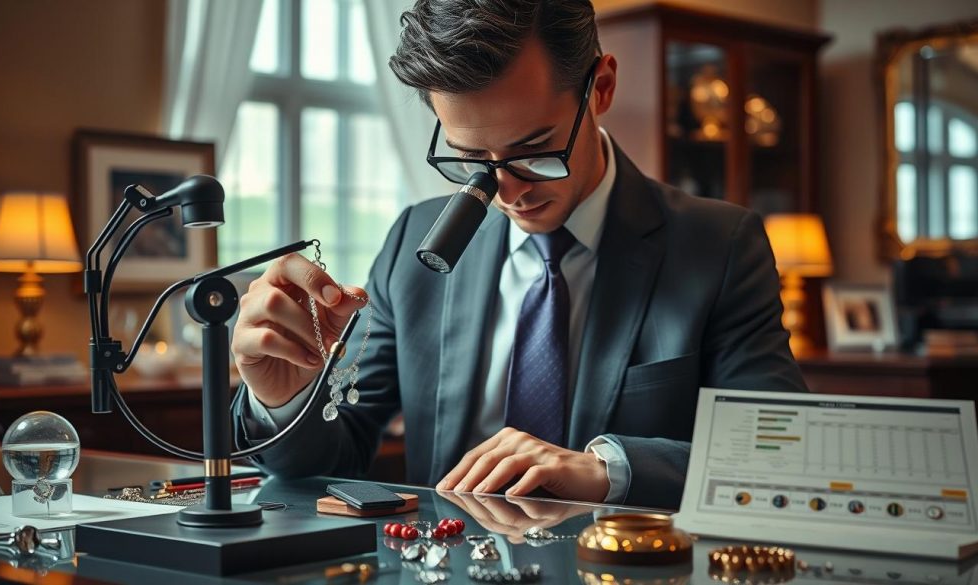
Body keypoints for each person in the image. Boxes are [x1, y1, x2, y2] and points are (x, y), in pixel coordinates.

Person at [231, 0, 807, 509]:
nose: (507, 192)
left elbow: (779, 456)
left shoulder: (719, 246)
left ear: (601, 88)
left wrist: (609, 470)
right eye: (470, 158)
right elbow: (335, 452)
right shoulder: (414, 238)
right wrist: (283, 399)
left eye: (535, 150)